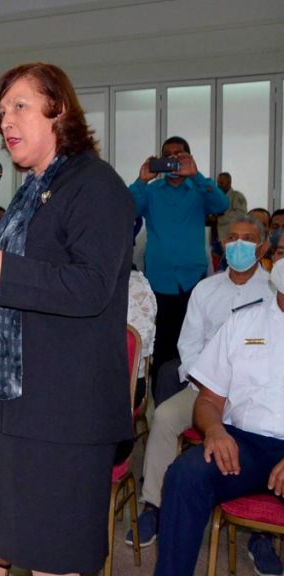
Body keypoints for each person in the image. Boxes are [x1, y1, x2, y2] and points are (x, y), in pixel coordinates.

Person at [0, 62, 134, 575]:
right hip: (19, 402)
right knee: (25, 550)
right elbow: (30, 270)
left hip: (65, 410)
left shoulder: (95, 185)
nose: (6, 120)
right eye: (1, 112)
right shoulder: (34, 190)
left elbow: (91, 287)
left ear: (59, 109)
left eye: (20, 106)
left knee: (57, 558)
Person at [126, 215, 273, 551]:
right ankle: (155, 506)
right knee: (164, 416)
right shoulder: (205, 289)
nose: (238, 244)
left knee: (265, 435)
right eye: (232, 237)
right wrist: (210, 385)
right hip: (206, 390)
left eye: (247, 239)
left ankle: (261, 534)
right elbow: (188, 346)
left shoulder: (272, 292)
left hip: (254, 395)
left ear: (262, 247)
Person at [154, 262, 284, 576]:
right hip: (242, 446)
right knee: (185, 475)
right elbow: (208, 400)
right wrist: (214, 430)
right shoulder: (242, 323)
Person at [131, 136, 228, 391]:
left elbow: (222, 204)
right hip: (159, 281)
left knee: (194, 345)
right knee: (162, 346)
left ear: (188, 157)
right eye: (168, 155)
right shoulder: (151, 191)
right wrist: (141, 181)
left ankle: (192, 398)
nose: (173, 159)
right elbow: (127, 210)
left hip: (193, 281)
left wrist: (197, 175)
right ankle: (162, 402)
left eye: (179, 154)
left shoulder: (199, 189)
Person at [210, 172, 247, 264]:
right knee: (216, 267)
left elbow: (240, 214)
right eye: (218, 183)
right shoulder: (216, 197)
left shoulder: (236, 196)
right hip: (215, 239)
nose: (219, 185)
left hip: (230, 239)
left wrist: (219, 219)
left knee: (229, 264)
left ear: (229, 183)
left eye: (221, 183)